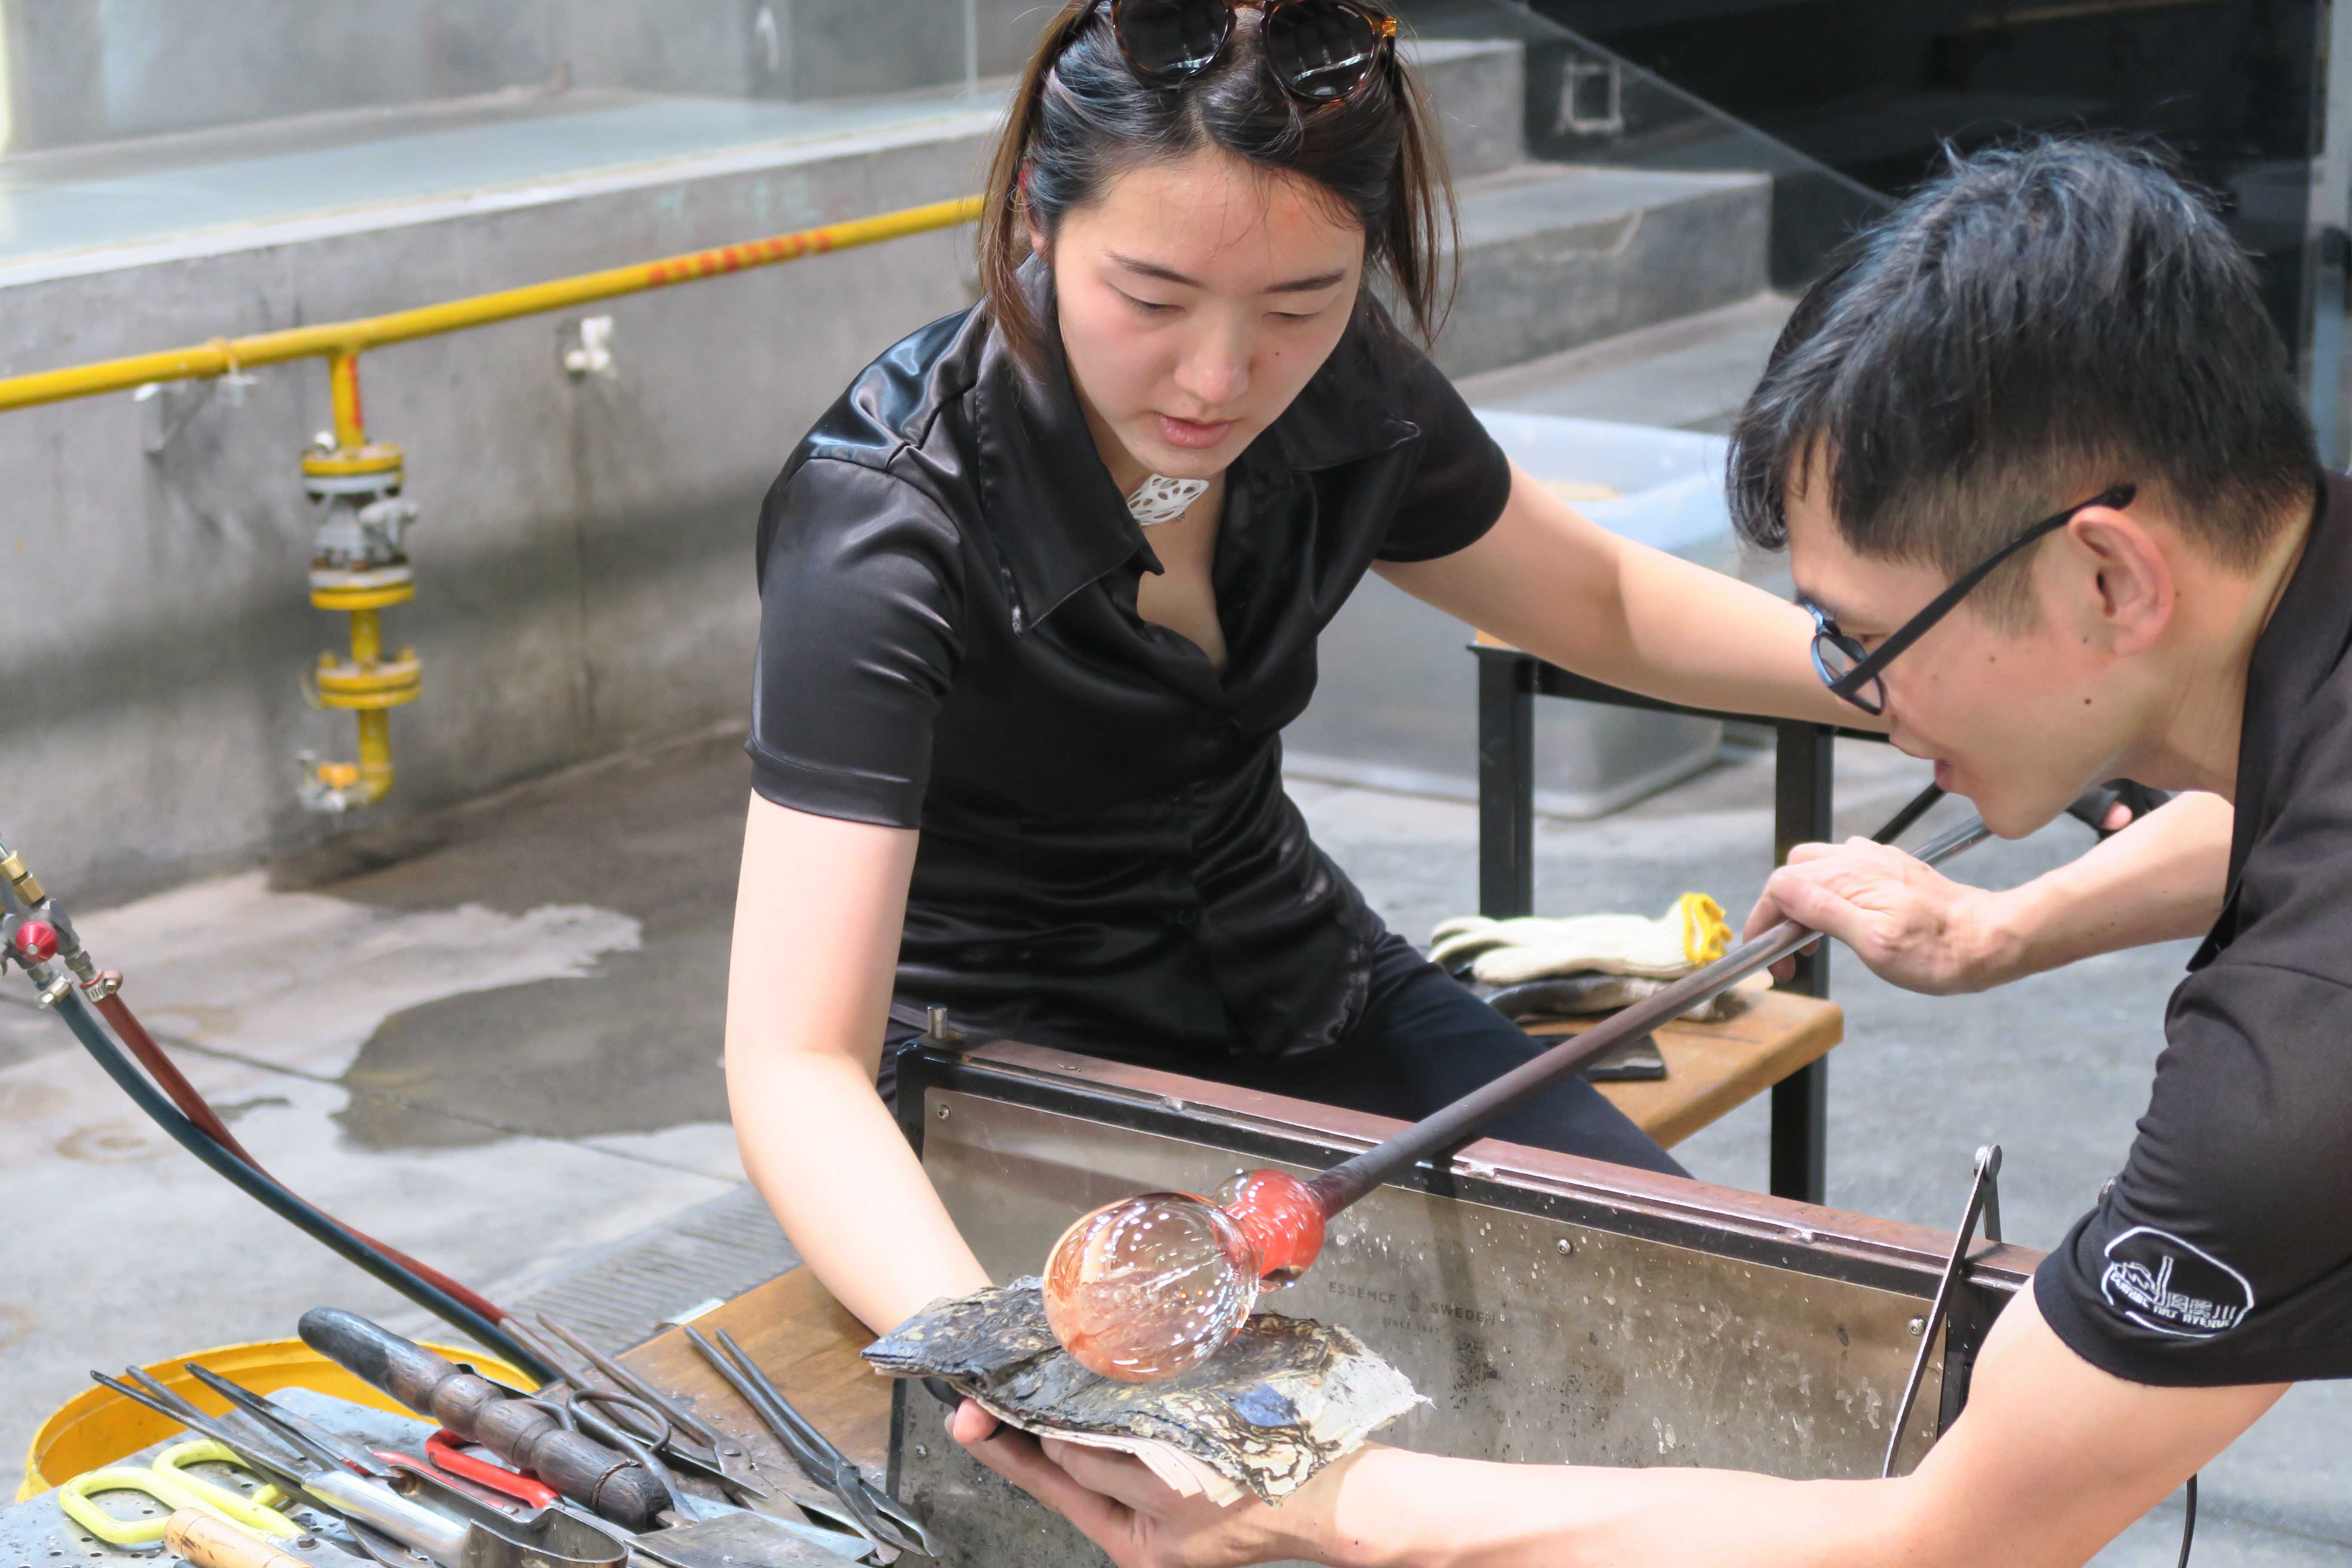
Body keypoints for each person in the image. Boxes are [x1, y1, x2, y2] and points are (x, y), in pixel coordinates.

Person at [949, 136, 2342, 1567]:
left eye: (1871, 645)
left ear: (2110, 577)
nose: (1861, 701)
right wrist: (2010, 925)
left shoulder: (2292, 1068)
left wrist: (1316, 1504)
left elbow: (1954, 1537)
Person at [724, 0, 1874, 1342]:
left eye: (1299, 302)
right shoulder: (886, 518)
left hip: (1312, 978)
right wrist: (996, 1354)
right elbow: (796, 1061)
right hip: (1013, 1067)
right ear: (1038, 218)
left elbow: (1599, 598)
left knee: (1728, 1321)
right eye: (1150, 299)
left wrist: (1905, 675)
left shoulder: (1342, 387)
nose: (1219, 377)